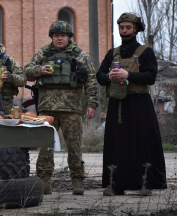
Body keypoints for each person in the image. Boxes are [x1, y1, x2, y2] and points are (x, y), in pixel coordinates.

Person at [24, 21, 98, 195]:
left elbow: (91, 80)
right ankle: (44, 181)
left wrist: (92, 104)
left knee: (74, 146)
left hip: (71, 108)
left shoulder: (79, 55)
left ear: (68, 37)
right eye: (56, 36)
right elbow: (27, 71)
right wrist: (40, 70)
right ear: (52, 37)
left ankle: (77, 181)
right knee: (45, 147)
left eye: (63, 36)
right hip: (47, 108)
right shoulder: (44, 52)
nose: (59, 39)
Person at [96, 13, 167, 196]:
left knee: (142, 142)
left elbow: (151, 77)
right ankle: (114, 184)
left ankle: (145, 184)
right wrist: (108, 76)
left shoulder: (146, 52)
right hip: (117, 105)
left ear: (135, 29)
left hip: (140, 104)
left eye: (128, 27)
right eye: (121, 27)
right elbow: (100, 76)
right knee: (116, 144)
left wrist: (129, 75)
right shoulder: (113, 53)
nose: (124, 31)